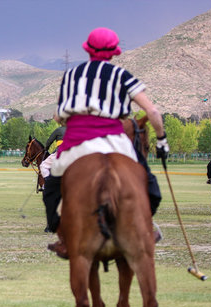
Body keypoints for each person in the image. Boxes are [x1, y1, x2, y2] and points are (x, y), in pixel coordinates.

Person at [43, 27, 167, 258]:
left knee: (51, 187)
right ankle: (146, 230)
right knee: (149, 185)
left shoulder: (72, 76)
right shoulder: (122, 75)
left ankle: (63, 239)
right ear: (114, 53)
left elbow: (59, 116)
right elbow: (152, 111)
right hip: (115, 141)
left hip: (78, 143)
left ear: (88, 49)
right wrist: (162, 140)